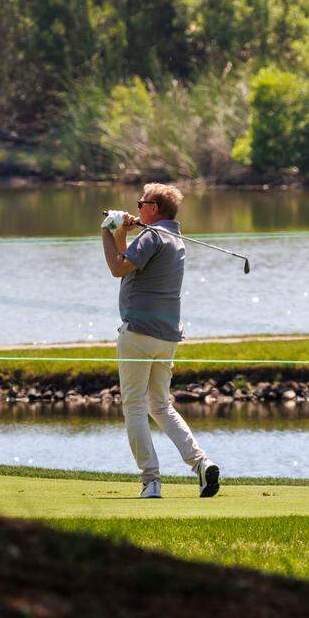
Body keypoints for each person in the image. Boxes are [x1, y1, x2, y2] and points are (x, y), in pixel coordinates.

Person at [100, 183, 220, 499]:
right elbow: (128, 260)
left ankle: (150, 480)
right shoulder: (173, 239)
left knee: (135, 407)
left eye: (142, 203)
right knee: (160, 405)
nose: (138, 207)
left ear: (154, 208)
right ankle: (201, 464)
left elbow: (116, 267)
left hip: (139, 332)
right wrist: (122, 232)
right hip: (166, 337)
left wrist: (107, 229)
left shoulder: (152, 237)